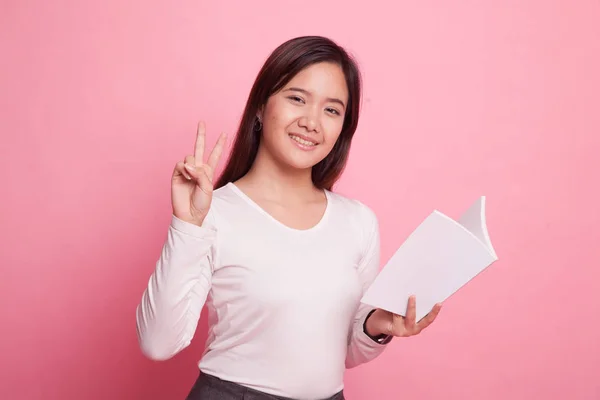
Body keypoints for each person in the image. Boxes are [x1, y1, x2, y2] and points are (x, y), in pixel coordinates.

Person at [135, 35, 442, 400]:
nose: (312, 122)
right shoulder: (213, 212)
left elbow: (344, 352)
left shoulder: (358, 221)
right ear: (261, 107)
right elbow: (158, 343)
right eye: (297, 99)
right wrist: (186, 226)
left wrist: (379, 326)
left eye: (331, 110)